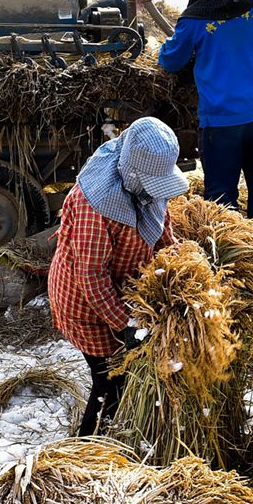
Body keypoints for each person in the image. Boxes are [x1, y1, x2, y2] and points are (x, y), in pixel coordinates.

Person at [47, 117, 190, 437]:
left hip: (120, 291)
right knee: (108, 381)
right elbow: (91, 275)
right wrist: (126, 325)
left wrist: (183, 261)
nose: (157, 191)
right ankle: (86, 450)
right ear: (134, 173)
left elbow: (161, 222)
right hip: (86, 303)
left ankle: (117, 431)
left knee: (123, 377)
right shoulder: (96, 204)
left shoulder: (141, 181)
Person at [158, 0, 253, 238]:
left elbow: (171, 61)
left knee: (221, 193)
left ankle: (231, 253)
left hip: (221, 120)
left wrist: (176, 40)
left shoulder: (194, 19)